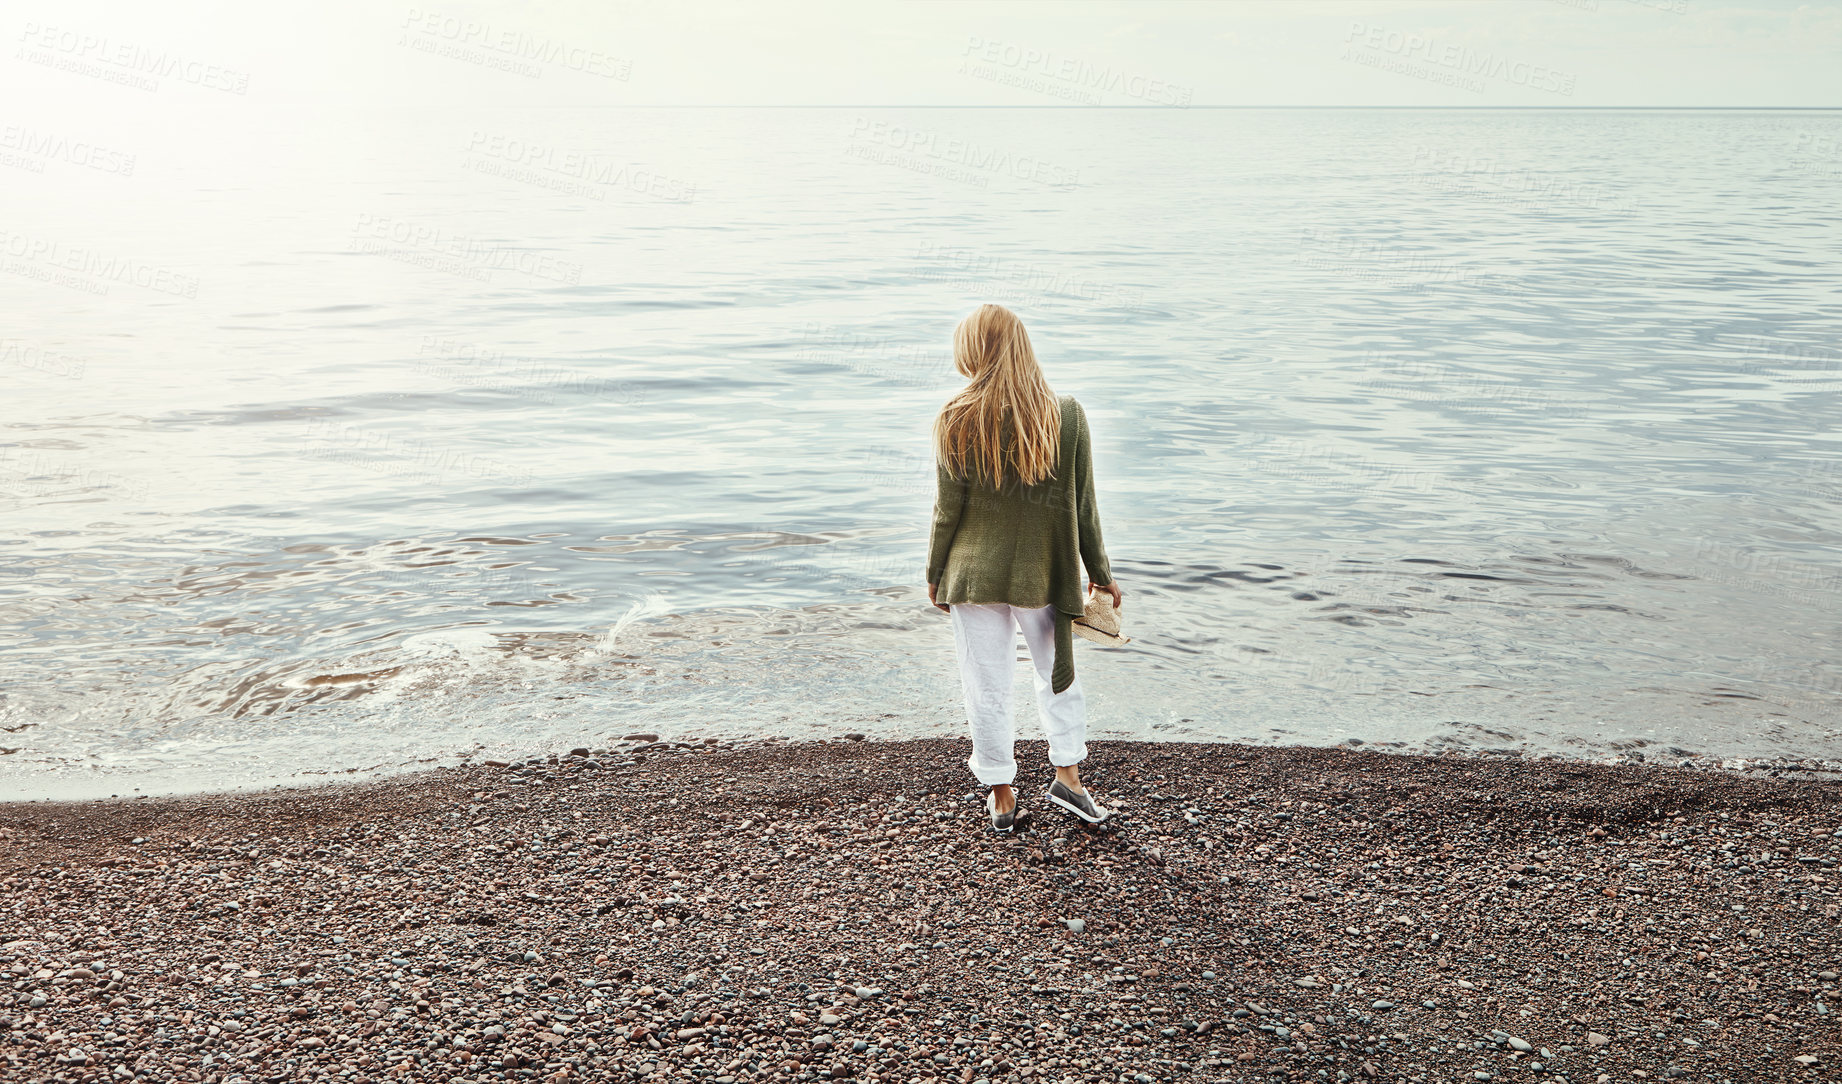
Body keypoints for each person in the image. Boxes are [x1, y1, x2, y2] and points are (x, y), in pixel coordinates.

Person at [925, 304, 1123, 832]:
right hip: (1044, 572)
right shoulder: (1066, 414)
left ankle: (1002, 793)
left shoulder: (955, 415)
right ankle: (1069, 778)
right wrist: (1100, 571)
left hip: (971, 574)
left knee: (984, 683)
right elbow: (1084, 506)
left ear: (973, 351)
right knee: (1057, 676)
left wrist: (935, 572)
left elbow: (948, 510)